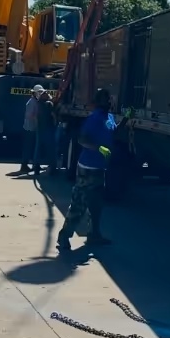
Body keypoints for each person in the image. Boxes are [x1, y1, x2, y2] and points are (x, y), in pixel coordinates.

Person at [57, 88, 117, 253]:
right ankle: (64, 236)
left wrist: (127, 118)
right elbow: (83, 139)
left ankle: (94, 234)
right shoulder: (94, 118)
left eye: (110, 99)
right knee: (79, 204)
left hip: (100, 169)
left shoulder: (109, 117)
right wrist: (99, 148)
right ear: (100, 102)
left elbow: (114, 131)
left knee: (96, 204)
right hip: (88, 168)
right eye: (107, 99)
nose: (110, 102)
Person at [20, 84, 46, 174]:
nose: (40, 94)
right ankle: (24, 166)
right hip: (30, 128)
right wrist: (38, 116)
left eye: (41, 92)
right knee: (28, 147)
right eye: (39, 92)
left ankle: (36, 165)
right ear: (34, 93)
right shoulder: (32, 102)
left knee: (35, 147)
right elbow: (29, 115)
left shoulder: (36, 101)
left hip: (34, 128)